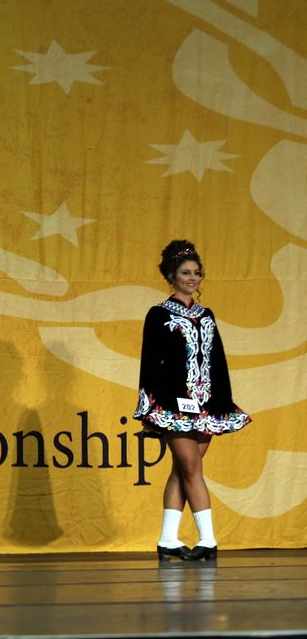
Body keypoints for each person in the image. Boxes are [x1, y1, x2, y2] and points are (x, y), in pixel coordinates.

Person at [134, 240, 251, 562]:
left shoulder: (206, 315)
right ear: (171, 276)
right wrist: (149, 405)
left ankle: (167, 539)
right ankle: (209, 540)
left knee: (181, 470)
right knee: (191, 468)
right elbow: (150, 362)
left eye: (197, 273)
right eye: (186, 273)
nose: (192, 278)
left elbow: (218, 362)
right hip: (174, 405)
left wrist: (223, 403)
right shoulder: (158, 314)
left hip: (206, 406)